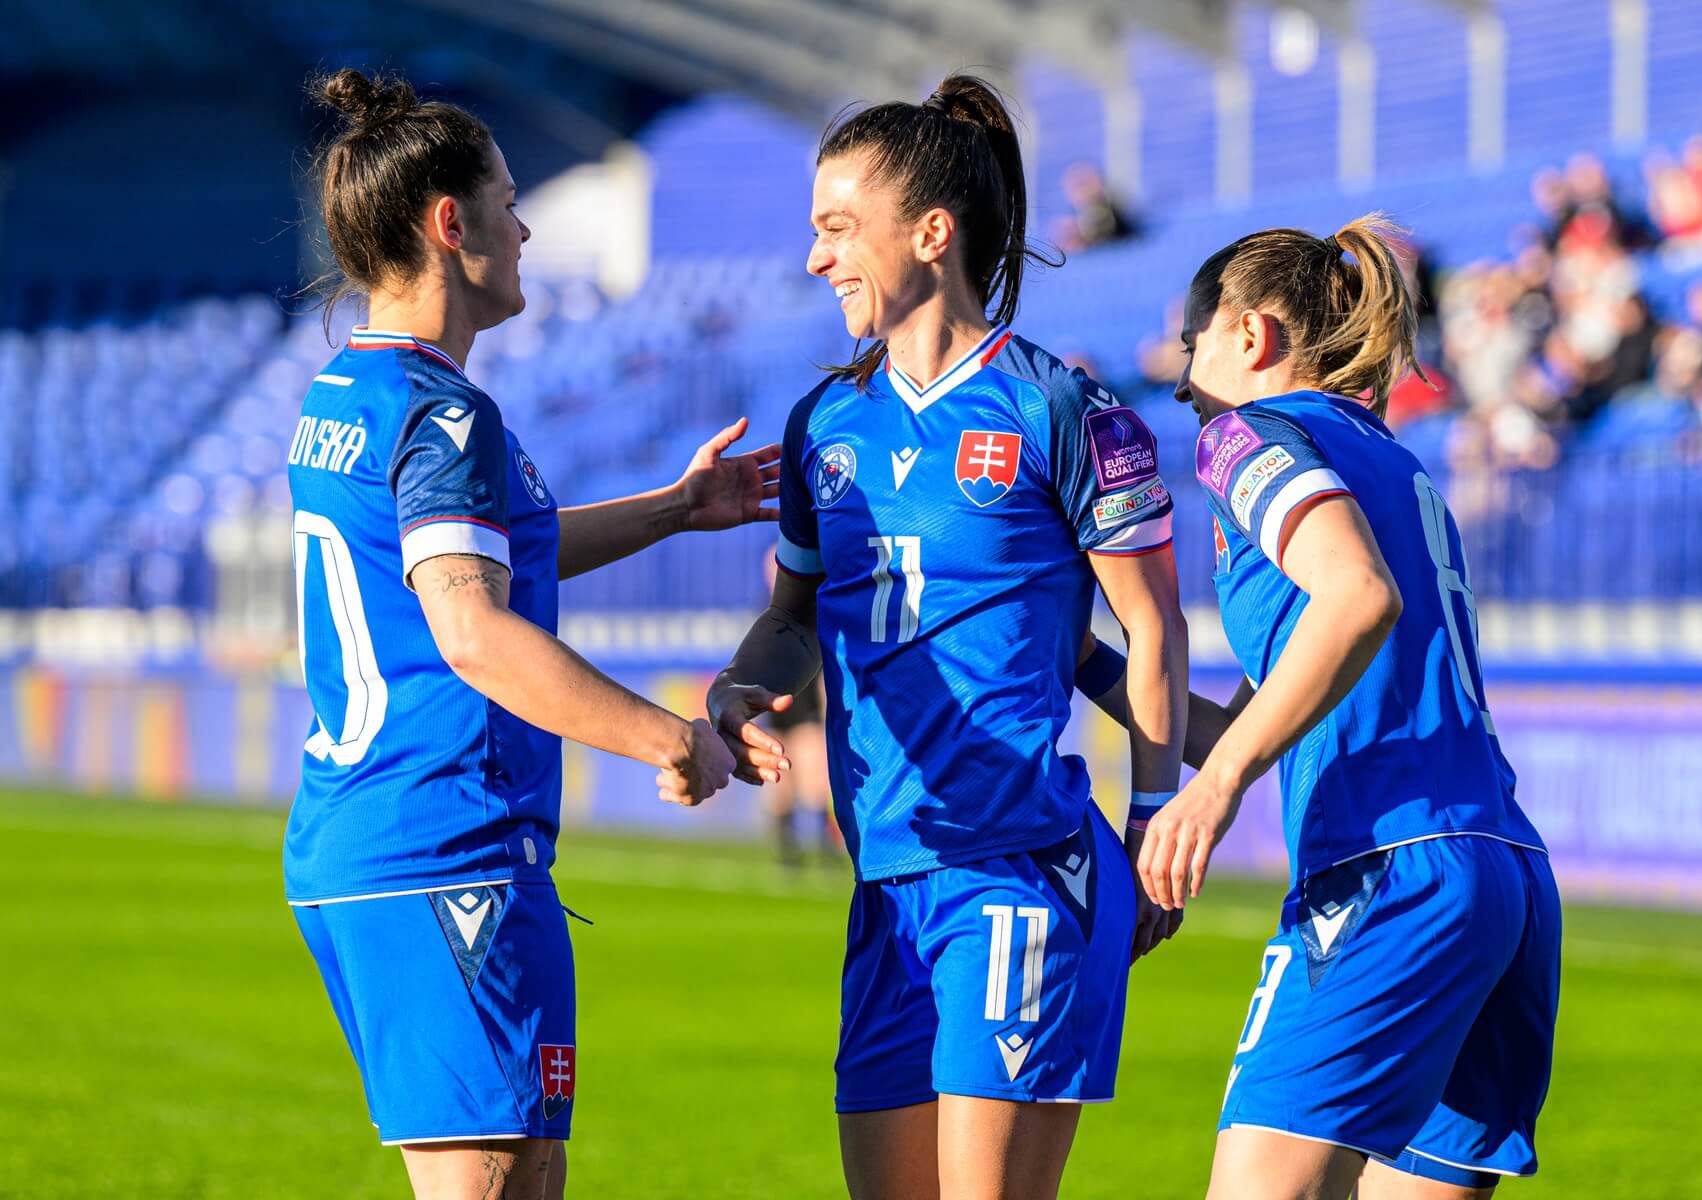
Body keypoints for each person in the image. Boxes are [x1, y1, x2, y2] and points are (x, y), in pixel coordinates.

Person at [706, 75, 1188, 1200]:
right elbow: (791, 621)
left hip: (1015, 871)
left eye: (838, 228)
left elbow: (1153, 627)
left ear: (931, 234)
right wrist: (740, 685)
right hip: (886, 882)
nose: (817, 258)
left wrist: (1156, 813)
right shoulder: (824, 423)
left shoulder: (1062, 409)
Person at [285, 69, 760, 1199]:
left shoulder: (349, 394)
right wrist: (667, 737)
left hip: (378, 844)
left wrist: (675, 509)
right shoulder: (444, 415)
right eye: (509, 200)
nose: (526, 227)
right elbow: (474, 631)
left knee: (530, 1170)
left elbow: (493, 555)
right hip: (444, 848)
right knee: (497, 1174)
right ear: (452, 224)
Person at [1136, 216, 1561, 1200]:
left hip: (1387, 869)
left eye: (1192, 350)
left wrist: (1215, 791)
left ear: (1250, 334)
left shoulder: (1245, 435)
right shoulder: (1390, 459)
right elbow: (1262, 712)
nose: (1185, 386)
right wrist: (1086, 662)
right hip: (1503, 871)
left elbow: (1359, 598)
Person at [760, 545, 837, 865]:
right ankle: (789, 844)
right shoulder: (770, 614)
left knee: (810, 766)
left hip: (799, 692)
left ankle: (820, 842)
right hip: (774, 692)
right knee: (780, 767)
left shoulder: (811, 610)